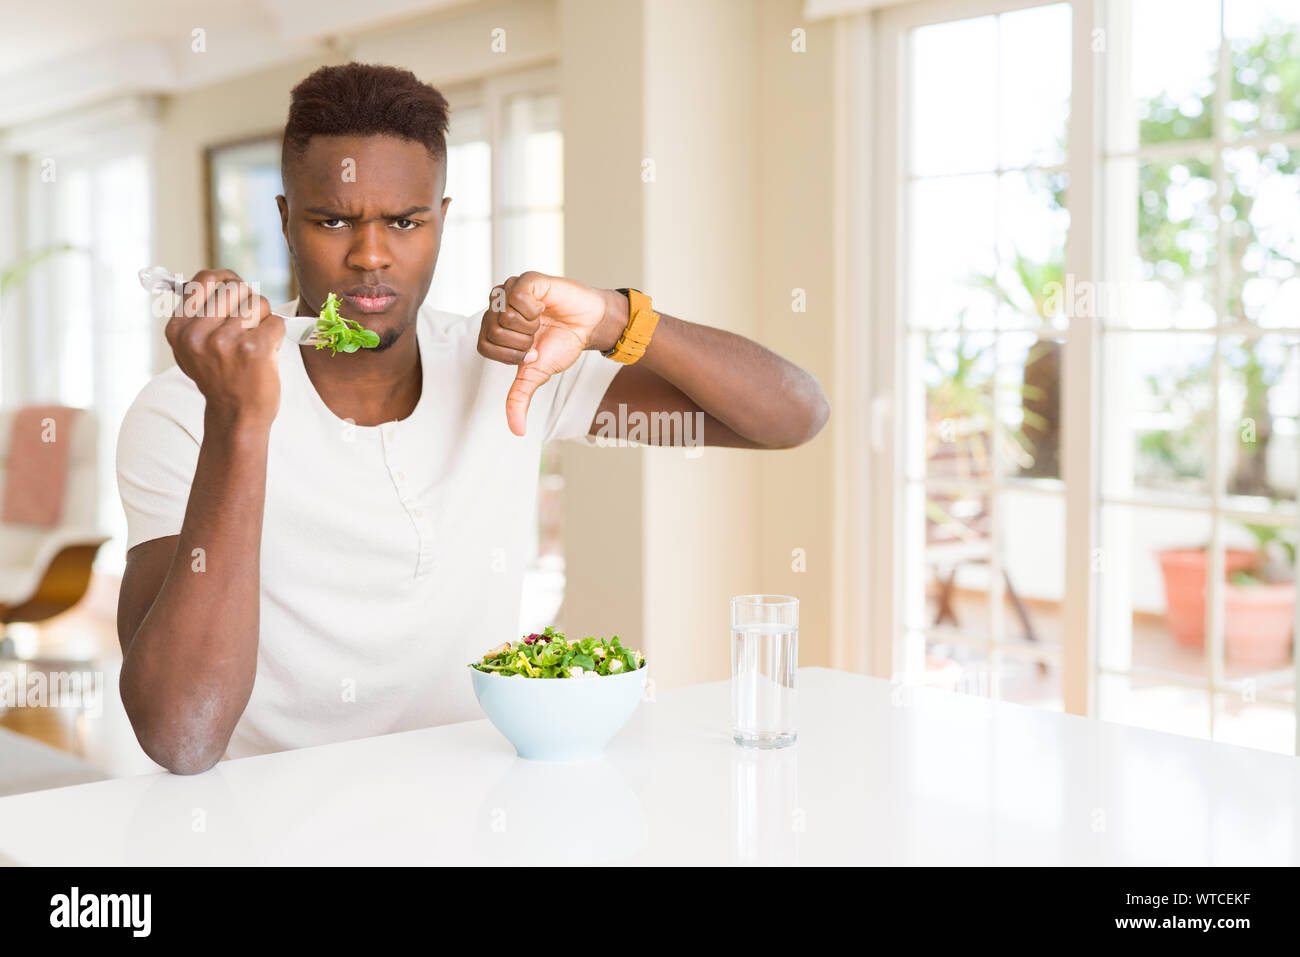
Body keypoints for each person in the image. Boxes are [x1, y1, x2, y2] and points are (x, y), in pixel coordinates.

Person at [116, 62, 829, 774]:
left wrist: (617, 316)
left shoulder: (512, 367)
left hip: (476, 814)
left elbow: (793, 414)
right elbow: (183, 735)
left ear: (441, 220)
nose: (371, 255)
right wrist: (238, 421)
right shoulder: (182, 412)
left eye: (404, 220)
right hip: (266, 832)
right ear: (283, 220)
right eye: (332, 219)